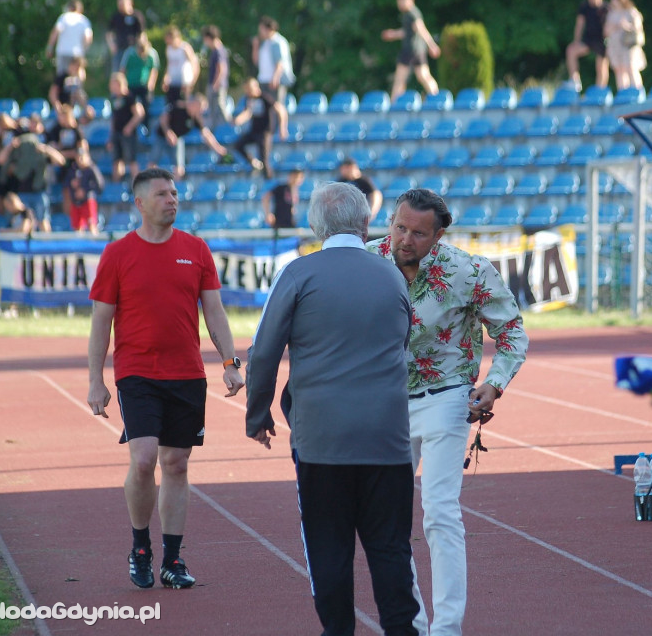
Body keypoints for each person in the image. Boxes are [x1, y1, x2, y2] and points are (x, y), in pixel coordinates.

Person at [245, 182, 420, 636]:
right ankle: (402, 629)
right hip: (388, 439)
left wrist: (258, 412)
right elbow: (402, 344)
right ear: (367, 225)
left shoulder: (299, 274)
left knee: (328, 545)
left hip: (323, 439)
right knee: (390, 548)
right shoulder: (392, 276)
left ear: (314, 225)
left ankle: (338, 630)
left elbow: (264, 351)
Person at [367, 188, 528, 636]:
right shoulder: (365, 262)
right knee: (390, 520)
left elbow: (512, 330)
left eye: (418, 233)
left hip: (446, 397)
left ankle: (448, 627)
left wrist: (494, 384)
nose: (405, 240)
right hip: (384, 405)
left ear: (438, 236)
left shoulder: (470, 271)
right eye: (399, 227)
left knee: (439, 511)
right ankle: (411, 621)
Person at [87, 167, 245, 590]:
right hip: (137, 373)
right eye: (162, 194)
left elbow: (214, 310)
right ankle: (140, 548)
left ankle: (172, 560)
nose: (172, 200)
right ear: (140, 204)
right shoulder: (117, 255)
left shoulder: (196, 250)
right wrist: (95, 380)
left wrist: (230, 361)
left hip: (186, 374)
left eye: (175, 193)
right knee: (143, 460)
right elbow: (101, 320)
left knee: (175, 463)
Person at [0, 128, 65, 234]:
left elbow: (61, 161)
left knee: (43, 222)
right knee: (24, 223)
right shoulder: (16, 153)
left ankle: (46, 246)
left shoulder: (39, 154)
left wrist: (46, 149)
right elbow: (0, 160)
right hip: (22, 194)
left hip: (39, 193)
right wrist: (10, 146)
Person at [380, 0, 441, 101]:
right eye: (399, 1)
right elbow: (407, 32)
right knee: (423, 75)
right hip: (417, 50)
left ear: (410, 0)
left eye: (402, 0)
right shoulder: (408, 14)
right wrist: (393, 34)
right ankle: (436, 97)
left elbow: (421, 29)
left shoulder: (413, 13)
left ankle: (394, 104)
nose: (400, 3)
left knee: (400, 79)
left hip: (411, 50)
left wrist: (432, 45)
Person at [153, 93, 228, 180]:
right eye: (201, 108)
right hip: (161, 136)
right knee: (152, 163)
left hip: (177, 139)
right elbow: (163, 118)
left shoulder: (195, 118)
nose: (202, 111)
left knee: (180, 168)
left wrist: (218, 148)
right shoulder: (179, 107)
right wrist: (168, 132)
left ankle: (175, 189)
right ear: (195, 104)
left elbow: (206, 134)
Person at [231, 78, 287, 178]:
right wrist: (238, 120)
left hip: (265, 132)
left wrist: (283, 128)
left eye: (250, 89)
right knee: (238, 145)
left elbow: (281, 110)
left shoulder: (265, 98)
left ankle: (269, 179)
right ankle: (253, 162)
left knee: (264, 159)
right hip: (254, 131)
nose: (248, 92)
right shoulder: (249, 99)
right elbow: (248, 112)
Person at [565, 0, 608, 93]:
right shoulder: (584, 6)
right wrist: (576, 41)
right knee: (571, 50)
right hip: (588, 39)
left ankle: (600, 91)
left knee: (601, 66)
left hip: (602, 40)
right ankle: (575, 81)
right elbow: (579, 24)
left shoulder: (607, 8)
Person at [603, 0, 646, 91]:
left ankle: (637, 90)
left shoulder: (631, 11)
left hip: (629, 45)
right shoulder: (611, 14)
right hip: (615, 46)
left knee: (631, 67)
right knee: (619, 70)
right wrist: (617, 26)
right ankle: (623, 92)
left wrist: (626, 26)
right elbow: (606, 31)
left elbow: (637, 28)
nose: (612, 1)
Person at [109, 72, 145, 183]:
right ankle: (116, 188)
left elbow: (139, 113)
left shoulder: (130, 97)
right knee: (117, 161)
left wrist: (129, 127)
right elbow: (113, 119)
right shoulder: (114, 99)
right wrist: (111, 137)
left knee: (131, 161)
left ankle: (137, 186)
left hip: (128, 135)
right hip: (117, 133)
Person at [252, 16, 295, 105]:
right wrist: (255, 47)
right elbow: (257, 62)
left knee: (276, 106)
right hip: (264, 80)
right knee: (267, 110)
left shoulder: (278, 42)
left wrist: (275, 78)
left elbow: (280, 63)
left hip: (275, 81)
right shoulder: (264, 43)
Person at [45, 0, 92, 79]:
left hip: (63, 51)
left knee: (61, 77)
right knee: (77, 77)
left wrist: (50, 47)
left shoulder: (64, 17)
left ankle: (63, 91)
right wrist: (84, 50)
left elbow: (55, 32)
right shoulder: (84, 20)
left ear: (69, 7)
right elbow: (88, 38)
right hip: (77, 53)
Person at [65, 148, 104, 233]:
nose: (80, 160)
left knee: (91, 225)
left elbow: (99, 185)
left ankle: (94, 244)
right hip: (75, 202)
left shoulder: (91, 169)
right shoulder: (73, 169)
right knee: (77, 228)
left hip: (88, 201)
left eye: (82, 157)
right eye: (78, 157)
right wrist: (72, 185)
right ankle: (79, 245)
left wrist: (85, 191)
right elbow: (67, 183)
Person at [120, 33, 160, 114]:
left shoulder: (152, 53)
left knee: (145, 111)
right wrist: (123, 86)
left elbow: (154, 71)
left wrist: (150, 89)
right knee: (128, 111)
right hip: (130, 86)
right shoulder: (129, 52)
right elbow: (123, 70)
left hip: (144, 86)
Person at [201, 25, 230, 130]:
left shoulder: (219, 51)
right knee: (212, 111)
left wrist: (215, 84)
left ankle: (229, 128)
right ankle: (214, 132)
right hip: (215, 85)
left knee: (219, 107)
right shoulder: (215, 51)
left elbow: (221, 69)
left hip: (217, 85)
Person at [107, 0, 145, 73]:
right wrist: (112, 45)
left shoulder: (137, 15)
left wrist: (141, 47)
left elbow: (141, 33)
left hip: (133, 50)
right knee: (117, 73)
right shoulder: (116, 16)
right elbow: (109, 33)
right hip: (120, 49)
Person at [161, 26, 199, 105]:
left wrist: (192, 81)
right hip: (173, 83)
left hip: (184, 83)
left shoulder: (185, 48)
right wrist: (165, 78)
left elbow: (195, 65)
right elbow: (169, 65)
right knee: (171, 105)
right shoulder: (168, 49)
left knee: (184, 105)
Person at [336, 156, 381, 222]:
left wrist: (372, 211)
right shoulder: (342, 181)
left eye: (344, 168)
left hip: (360, 214)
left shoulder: (363, 181)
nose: (342, 171)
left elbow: (376, 195)